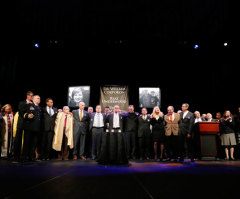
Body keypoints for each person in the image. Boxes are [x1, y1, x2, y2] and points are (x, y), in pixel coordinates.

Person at [13, 91, 34, 162]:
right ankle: (16, 157)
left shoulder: (32, 104)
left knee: (27, 141)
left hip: (28, 124)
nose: (32, 97)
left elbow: (32, 112)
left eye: (32, 96)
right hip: (21, 123)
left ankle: (24, 157)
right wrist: (27, 114)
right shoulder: (22, 103)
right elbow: (20, 111)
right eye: (31, 96)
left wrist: (32, 115)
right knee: (18, 140)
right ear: (28, 96)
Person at [21, 95, 42, 162]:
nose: (39, 99)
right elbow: (21, 113)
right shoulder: (29, 105)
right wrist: (27, 115)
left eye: (39, 98)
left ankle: (31, 157)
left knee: (34, 143)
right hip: (29, 127)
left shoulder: (39, 107)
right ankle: (24, 157)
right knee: (27, 142)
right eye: (38, 98)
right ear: (33, 99)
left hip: (36, 128)